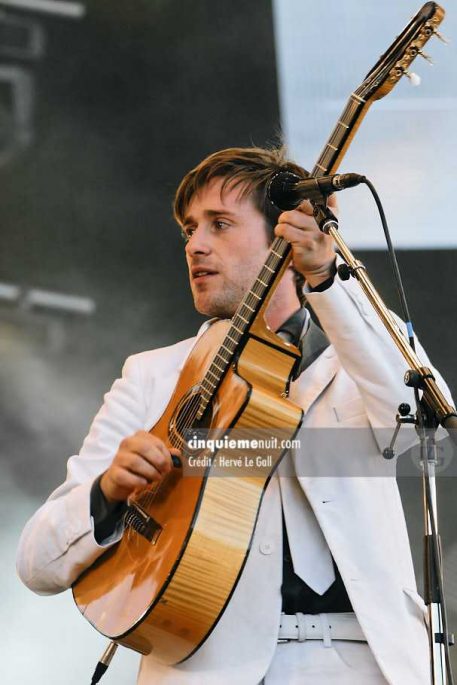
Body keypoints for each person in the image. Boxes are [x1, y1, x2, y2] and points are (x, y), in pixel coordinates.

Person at [16, 146, 451, 684]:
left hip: (365, 662)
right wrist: (105, 493)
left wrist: (326, 280)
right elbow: (37, 561)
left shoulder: (367, 349)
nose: (196, 245)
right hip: (205, 667)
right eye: (189, 230)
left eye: (220, 224)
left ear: (284, 240)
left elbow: (418, 428)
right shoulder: (152, 375)